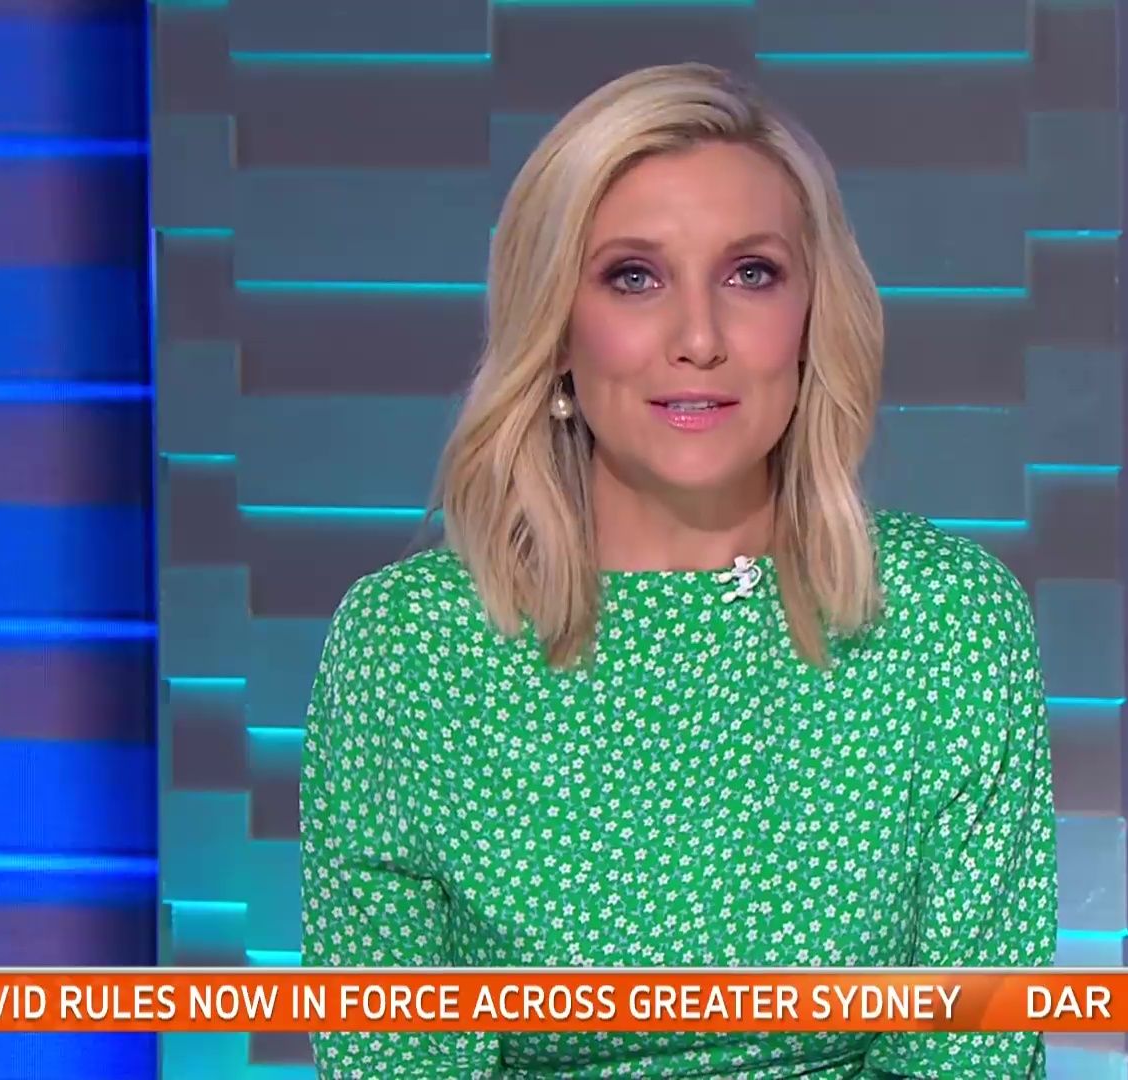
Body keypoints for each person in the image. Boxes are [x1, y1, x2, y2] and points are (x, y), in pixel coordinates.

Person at [299, 62, 1055, 1078]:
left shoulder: (946, 623)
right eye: (634, 277)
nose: (699, 339)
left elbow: (972, 1057)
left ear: (813, 315)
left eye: (751, 274)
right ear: (555, 328)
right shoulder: (411, 648)